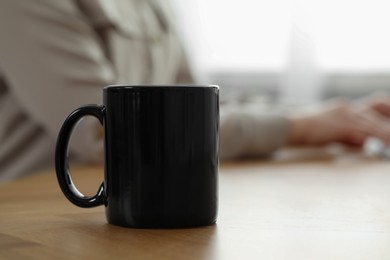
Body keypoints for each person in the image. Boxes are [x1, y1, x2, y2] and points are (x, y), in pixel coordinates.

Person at [1, 0, 390, 181]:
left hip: (147, 197)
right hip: (37, 212)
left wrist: (333, 115)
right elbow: (109, 134)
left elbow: (197, 99)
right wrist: (299, 127)